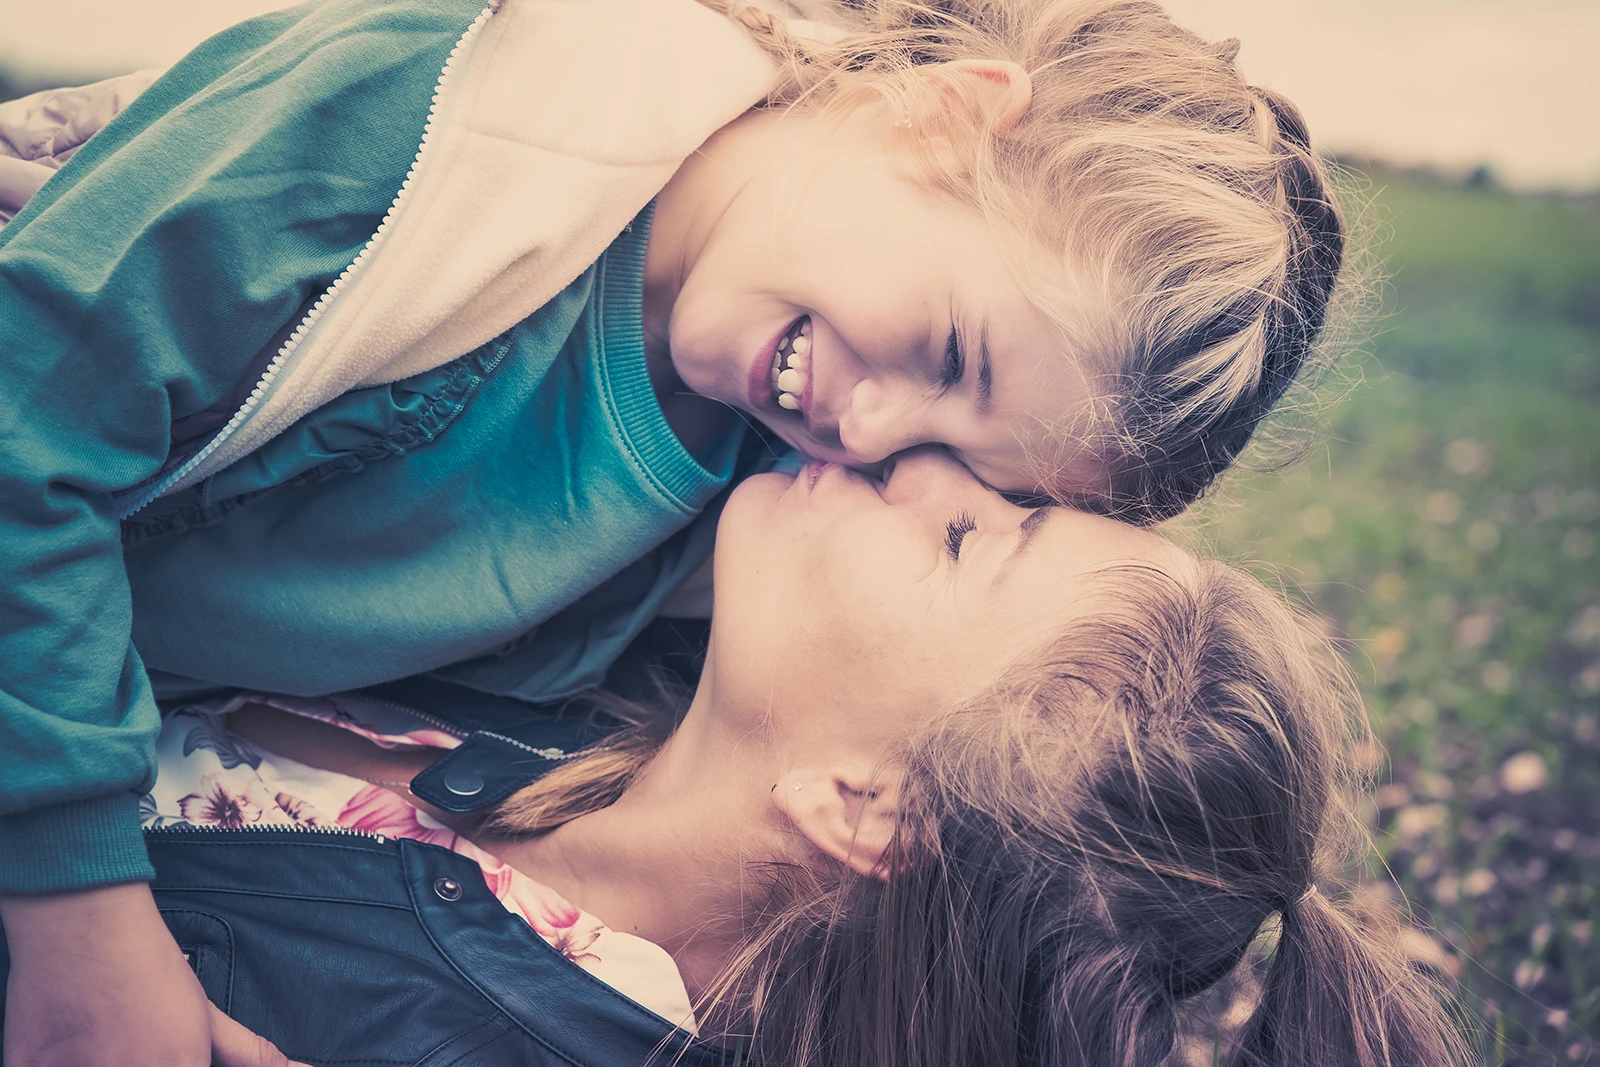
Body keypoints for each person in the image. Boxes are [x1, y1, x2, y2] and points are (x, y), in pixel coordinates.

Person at [0, 0, 1347, 1061]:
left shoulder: (742, 503)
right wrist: (84, 923)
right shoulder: (468, 133)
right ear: (940, 117)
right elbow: (30, 411)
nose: (876, 438)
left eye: (959, 466)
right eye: (945, 347)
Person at [1, 450, 1462, 1066]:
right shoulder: (569, 661)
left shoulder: (413, 1034)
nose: (933, 463)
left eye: (969, 539)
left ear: (866, 800)